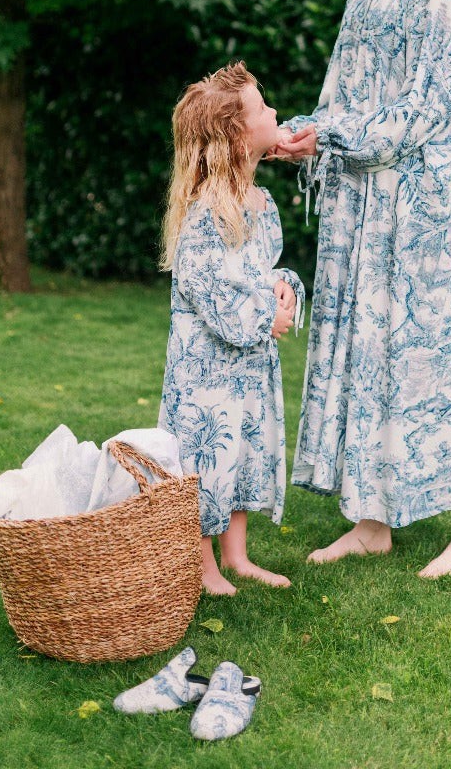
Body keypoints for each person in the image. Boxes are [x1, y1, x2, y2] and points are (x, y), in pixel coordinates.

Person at [274, 0, 451, 579]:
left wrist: (332, 133)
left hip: (426, 199)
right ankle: (371, 520)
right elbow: (343, 90)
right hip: (361, 198)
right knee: (365, 348)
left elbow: (431, 107)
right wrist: (308, 131)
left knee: (439, 351)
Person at [159, 62, 305, 594]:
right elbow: (215, 297)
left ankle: (237, 556)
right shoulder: (203, 215)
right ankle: (201, 567)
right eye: (263, 108)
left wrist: (283, 287)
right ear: (237, 134)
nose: (273, 112)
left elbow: (258, 273)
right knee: (206, 461)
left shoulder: (260, 202)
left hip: (249, 369)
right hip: (209, 375)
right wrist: (269, 318)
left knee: (242, 457)